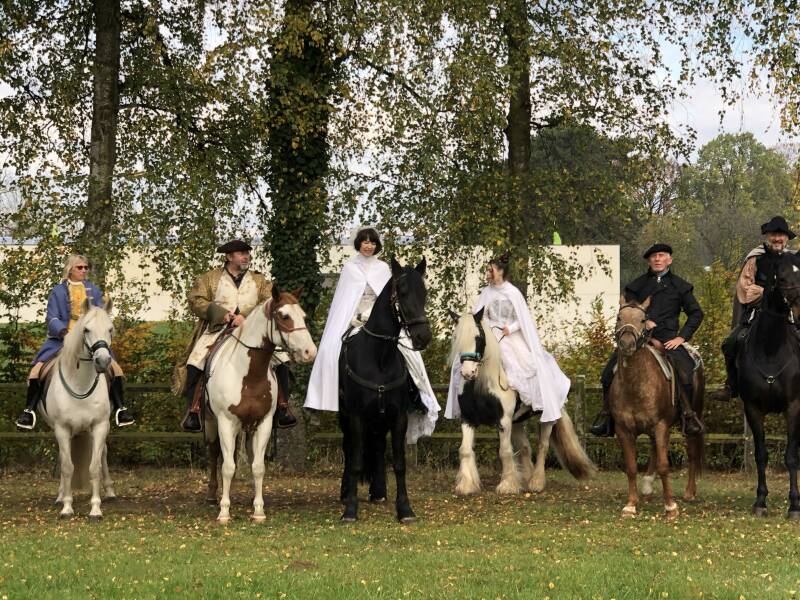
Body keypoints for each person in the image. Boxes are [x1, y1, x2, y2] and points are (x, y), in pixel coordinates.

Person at [304, 227, 439, 443]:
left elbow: (389, 299)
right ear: (359, 243)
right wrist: (356, 316)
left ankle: (418, 396)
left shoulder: (383, 268)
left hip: (380, 322)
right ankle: (326, 397)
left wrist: (378, 317)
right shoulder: (350, 268)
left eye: (372, 242)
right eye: (365, 242)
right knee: (329, 349)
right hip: (355, 320)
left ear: (377, 245)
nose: (368, 246)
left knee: (411, 353)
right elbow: (344, 302)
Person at [175, 240, 296, 432]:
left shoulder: (259, 280)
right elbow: (196, 300)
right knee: (195, 362)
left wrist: (245, 315)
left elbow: (269, 301)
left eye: (247, 253)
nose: (246, 257)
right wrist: (221, 314)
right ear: (229, 257)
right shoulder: (209, 278)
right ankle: (193, 410)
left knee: (282, 360)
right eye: (241, 254)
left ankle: (283, 407)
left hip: (253, 330)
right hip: (218, 329)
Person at [590, 243, 704, 437]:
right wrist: (644, 322)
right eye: (653, 256)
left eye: (661, 255)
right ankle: (607, 416)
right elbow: (627, 311)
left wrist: (681, 337)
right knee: (608, 374)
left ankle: (688, 415)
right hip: (638, 340)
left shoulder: (680, 286)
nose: (657, 259)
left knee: (685, 372)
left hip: (668, 339)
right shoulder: (636, 285)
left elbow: (696, 314)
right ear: (649, 261)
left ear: (669, 260)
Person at [444, 251, 571, 424]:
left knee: (524, 363)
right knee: (463, 361)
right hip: (490, 334)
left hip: (509, 335)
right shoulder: (486, 292)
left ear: (501, 271)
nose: (488, 274)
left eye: (491, 270)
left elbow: (523, 319)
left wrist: (509, 328)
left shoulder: (513, 293)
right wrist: (485, 327)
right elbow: (479, 316)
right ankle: (465, 404)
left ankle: (523, 403)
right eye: (488, 270)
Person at [15, 254, 135, 430]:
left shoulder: (94, 290)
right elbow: (52, 317)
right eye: (80, 267)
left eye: (86, 267)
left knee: (116, 369)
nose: (84, 270)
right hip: (61, 339)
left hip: (90, 340)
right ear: (70, 269)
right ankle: (28, 411)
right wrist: (63, 332)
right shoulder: (58, 291)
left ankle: (120, 409)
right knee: (36, 371)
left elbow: (100, 315)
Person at [710, 216, 796, 402]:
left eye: (781, 235)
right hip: (758, 314)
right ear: (767, 236)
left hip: (788, 315)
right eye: (773, 235)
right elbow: (745, 290)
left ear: (786, 238)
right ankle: (731, 386)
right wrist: (771, 293)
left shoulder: (794, 259)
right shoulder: (755, 258)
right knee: (731, 343)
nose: (777, 239)